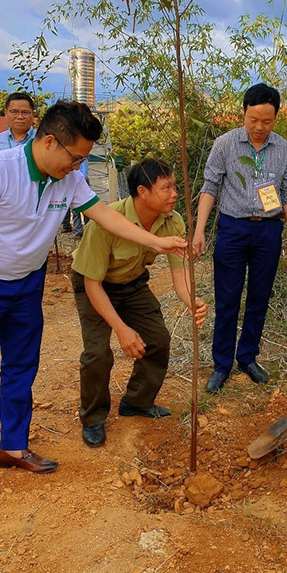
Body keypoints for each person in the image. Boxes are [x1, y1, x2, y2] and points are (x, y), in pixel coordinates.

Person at [0, 101, 186, 514]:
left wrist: (157, 243)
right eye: (74, 157)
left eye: (83, 159)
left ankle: (13, 447)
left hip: (27, 286)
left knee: (22, 369)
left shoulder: (68, 179)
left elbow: (103, 216)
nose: (77, 167)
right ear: (49, 141)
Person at [71, 158, 208, 447]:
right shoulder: (106, 222)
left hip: (132, 284)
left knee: (157, 339)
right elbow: (92, 285)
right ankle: (93, 417)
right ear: (143, 192)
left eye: (174, 186)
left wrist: (191, 301)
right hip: (94, 285)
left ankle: (137, 401)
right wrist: (121, 329)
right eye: (166, 188)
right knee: (98, 354)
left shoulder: (173, 221)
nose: (174, 194)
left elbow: (179, 273)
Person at [192, 83, 287, 393]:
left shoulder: (284, 150)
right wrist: (199, 231)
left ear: (276, 118)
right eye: (253, 119)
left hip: (268, 230)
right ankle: (222, 364)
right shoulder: (225, 145)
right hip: (233, 228)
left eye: (267, 121)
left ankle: (248, 357)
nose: (259, 127)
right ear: (244, 114)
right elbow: (210, 188)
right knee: (227, 299)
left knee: (259, 297)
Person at [0, 92, 37, 157]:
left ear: (33, 115)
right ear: (6, 113)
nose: (20, 117)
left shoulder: (42, 140)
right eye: (14, 112)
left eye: (25, 112)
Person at [62, 158, 89, 236]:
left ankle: (84, 229)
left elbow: (84, 173)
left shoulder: (82, 159)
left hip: (79, 183)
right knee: (76, 209)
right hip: (74, 182)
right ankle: (79, 231)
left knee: (82, 208)